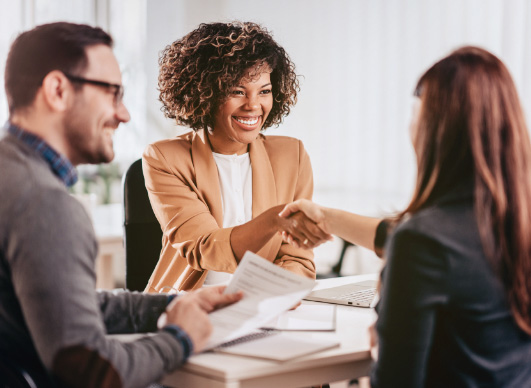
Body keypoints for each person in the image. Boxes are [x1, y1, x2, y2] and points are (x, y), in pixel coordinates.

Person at [0, 22, 242, 388]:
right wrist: (179, 339)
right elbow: (92, 370)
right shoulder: (44, 204)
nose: (124, 113)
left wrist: (173, 305)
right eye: (112, 93)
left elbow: (65, 305)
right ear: (57, 90)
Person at [280, 46, 531, 387]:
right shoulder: (513, 222)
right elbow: (401, 235)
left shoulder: (424, 241)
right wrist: (324, 216)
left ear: (434, 130)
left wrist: (379, 345)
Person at [143, 21, 330, 293]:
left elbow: (297, 258)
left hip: (263, 309)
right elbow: (204, 247)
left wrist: (277, 296)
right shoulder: (165, 158)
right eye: (237, 91)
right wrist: (275, 219)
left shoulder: (293, 156)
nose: (253, 106)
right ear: (205, 93)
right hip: (188, 307)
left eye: (264, 91)